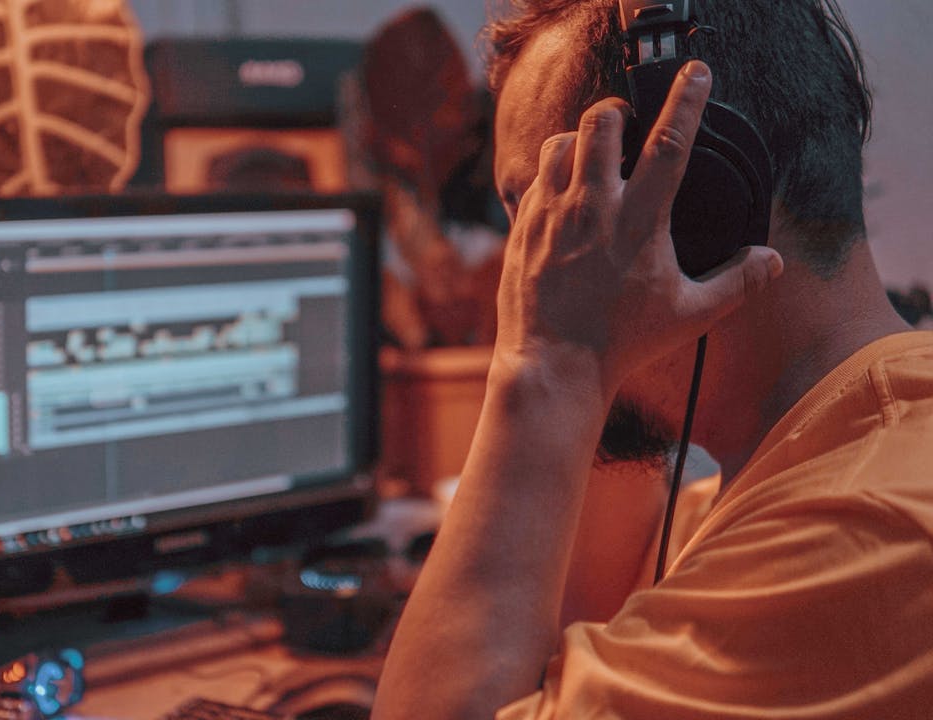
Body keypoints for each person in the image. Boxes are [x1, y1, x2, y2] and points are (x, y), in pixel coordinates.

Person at [374, 1, 933, 718]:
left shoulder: (864, 527)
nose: (527, 267)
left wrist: (550, 359)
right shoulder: (815, 457)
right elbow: (569, 620)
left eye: (551, 213)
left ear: (701, 203)